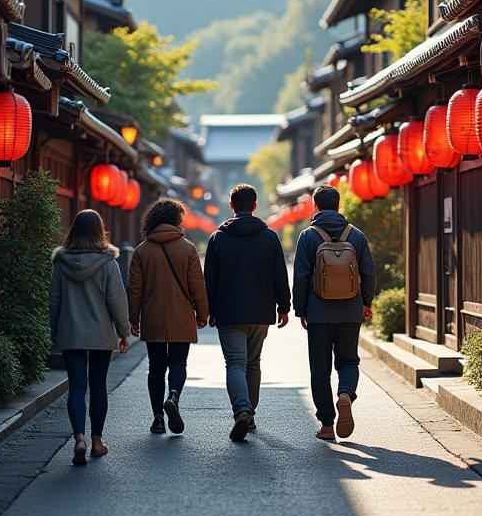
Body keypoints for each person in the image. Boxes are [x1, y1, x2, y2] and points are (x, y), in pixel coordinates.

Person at [204, 183, 291, 441]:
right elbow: (279, 274)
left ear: (231, 205)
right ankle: (249, 413)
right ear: (254, 206)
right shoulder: (269, 237)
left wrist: (207, 310)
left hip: (228, 312)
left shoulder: (218, 238)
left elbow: (210, 279)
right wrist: (284, 306)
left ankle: (242, 410)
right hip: (260, 310)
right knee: (253, 362)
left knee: (235, 363)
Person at [292, 184, 376, 442]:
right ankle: (346, 394)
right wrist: (366, 302)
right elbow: (368, 273)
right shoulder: (357, 236)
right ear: (338, 206)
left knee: (320, 368)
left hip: (318, 313)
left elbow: (302, 276)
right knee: (348, 361)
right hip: (350, 310)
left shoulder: (308, 236)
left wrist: (301, 309)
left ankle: (327, 425)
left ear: (315, 206)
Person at [50, 209, 131, 466]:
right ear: (100, 230)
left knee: (76, 387)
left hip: (71, 332)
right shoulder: (108, 263)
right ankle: (97, 442)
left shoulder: (61, 262)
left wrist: (55, 331)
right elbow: (117, 301)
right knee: (98, 385)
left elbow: (54, 302)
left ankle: (79, 438)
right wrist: (123, 332)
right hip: (100, 334)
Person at [128, 198, 209, 435]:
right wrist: (202, 313)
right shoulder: (187, 248)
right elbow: (197, 285)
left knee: (155, 367)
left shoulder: (142, 251)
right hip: (181, 314)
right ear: (177, 220)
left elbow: (135, 288)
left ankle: (157, 418)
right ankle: (173, 396)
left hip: (152, 315)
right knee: (177, 363)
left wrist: (133, 318)